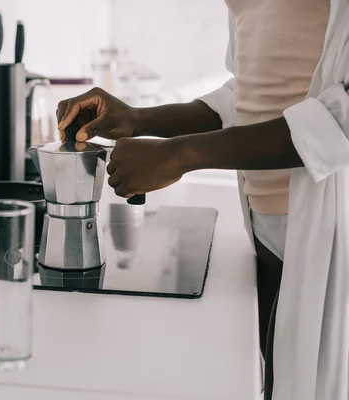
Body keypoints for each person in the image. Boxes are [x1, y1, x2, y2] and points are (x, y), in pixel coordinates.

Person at [56, 1, 349, 399]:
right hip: (267, 229)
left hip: (332, 227)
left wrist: (181, 155)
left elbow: (341, 116)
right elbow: (247, 90)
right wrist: (141, 118)